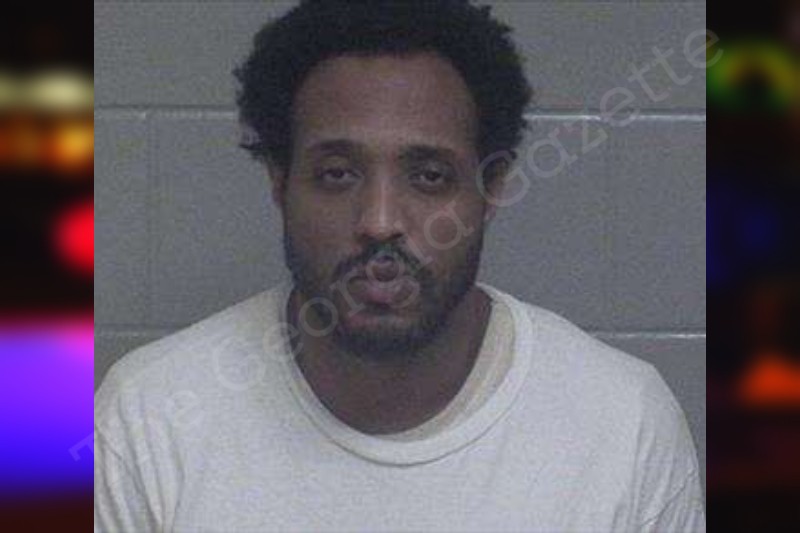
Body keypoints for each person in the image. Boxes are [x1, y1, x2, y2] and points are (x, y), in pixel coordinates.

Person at [94, 1, 705, 531]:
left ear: (491, 188)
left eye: (429, 176)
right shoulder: (151, 418)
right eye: (338, 175)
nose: (380, 220)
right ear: (279, 182)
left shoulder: (622, 424)